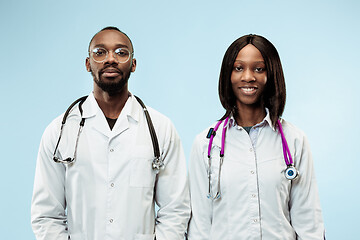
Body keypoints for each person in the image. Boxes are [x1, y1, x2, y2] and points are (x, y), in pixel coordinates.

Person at [31, 26, 190, 240]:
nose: (111, 59)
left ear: (133, 65)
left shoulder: (160, 128)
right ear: (88, 64)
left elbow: (176, 210)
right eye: (100, 52)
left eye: (121, 52)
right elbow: (46, 216)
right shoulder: (59, 131)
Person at [187, 34, 325, 239]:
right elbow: (200, 225)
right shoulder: (206, 144)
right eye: (238, 68)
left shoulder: (294, 140)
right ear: (228, 75)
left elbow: (308, 221)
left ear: (272, 74)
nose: (248, 77)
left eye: (259, 69)